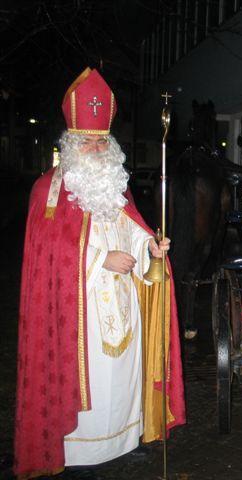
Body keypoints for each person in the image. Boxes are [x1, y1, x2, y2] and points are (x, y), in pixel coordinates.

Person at [13, 68, 186, 478]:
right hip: (79, 309)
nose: (95, 148)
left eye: (101, 141)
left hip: (124, 303)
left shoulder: (117, 188)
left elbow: (131, 227)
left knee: (122, 377)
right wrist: (99, 261)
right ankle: (79, 450)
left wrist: (149, 247)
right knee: (90, 375)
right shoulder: (48, 190)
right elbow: (50, 254)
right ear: (70, 143)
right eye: (87, 141)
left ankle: (123, 441)